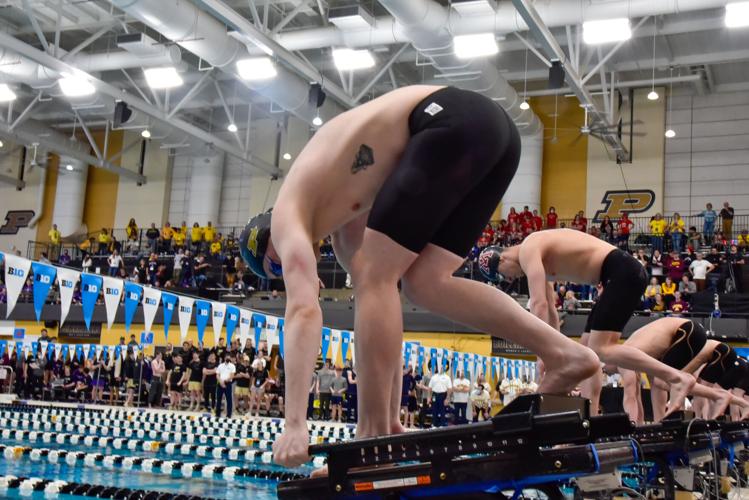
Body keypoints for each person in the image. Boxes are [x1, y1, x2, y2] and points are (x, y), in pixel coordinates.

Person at [241, 85, 598, 467]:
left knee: (376, 278)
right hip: (493, 135)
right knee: (424, 282)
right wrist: (395, 416)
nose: (285, 271)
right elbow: (379, 305)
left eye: (274, 266)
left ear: (265, 238)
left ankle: (371, 436)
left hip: (451, 121)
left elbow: (303, 312)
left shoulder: (287, 216)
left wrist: (295, 424)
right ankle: (564, 353)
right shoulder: (343, 224)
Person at [483, 228, 695, 416]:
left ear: (501, 260)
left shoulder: (529, 249)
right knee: (586, 354)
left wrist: (543, 354)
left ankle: (676, 378)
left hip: (621, 272)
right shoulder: (535, 256)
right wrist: (555, 354)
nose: (511, 279)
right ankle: (590, 417)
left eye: (505, 276)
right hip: (617, 275)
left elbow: (537, 305)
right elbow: (550, 311)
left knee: (601, 349)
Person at [215, 353, 235, 418]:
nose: (228, 358)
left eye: (229, 357)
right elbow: (217, 375)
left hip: (228, 384)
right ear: (224, 358)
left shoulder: (232, 366)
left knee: (229, 399)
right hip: (220, 383)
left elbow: (232, 376)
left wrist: (225, 381)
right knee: (218, 399)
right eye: (227, 357)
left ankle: (229, 414)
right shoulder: (220, 365)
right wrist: (221, 382)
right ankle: (217, 414)